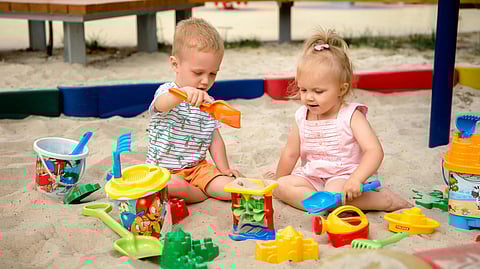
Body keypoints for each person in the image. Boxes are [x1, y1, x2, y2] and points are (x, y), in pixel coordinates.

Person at [266, 28, 411, 212]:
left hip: (344, 177)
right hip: (312, 177)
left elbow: (374, 151)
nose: (309, 97)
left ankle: (383, 201)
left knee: (335, 192)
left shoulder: (350, 115)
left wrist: (357, 179)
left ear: (341, 90)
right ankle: (323, 202)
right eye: (304, 90)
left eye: (318, 91)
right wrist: (279, 180)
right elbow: (290, 153)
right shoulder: (302, 115)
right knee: (281, 186)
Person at [146, 17, 240, 203]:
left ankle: (197, 191)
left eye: (212, 73)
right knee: (168, 184)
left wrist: (224, 169)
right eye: (198, 73)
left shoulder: (209, 103)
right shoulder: (167, 91)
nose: (205, 81)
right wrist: (182, 94)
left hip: (198, 169)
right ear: (175, 65)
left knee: (231, 190)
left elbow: (214, 139)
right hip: (164, 170)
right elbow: (161, 105)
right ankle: (196, 194)